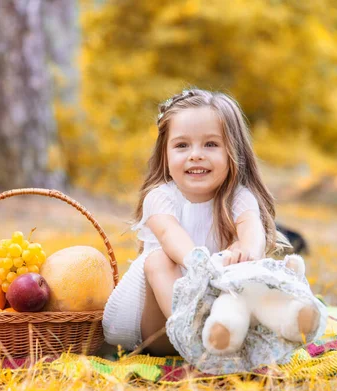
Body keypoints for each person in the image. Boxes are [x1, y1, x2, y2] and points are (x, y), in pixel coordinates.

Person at [103, 88, 292, 356]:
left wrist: (246, 250)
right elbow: (170, 234)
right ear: (165, 154)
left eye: (211, 144)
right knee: (158, 259)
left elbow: (252, 229)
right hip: (164, 327)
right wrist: (197, 262)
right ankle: (196, 336)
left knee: (251, 262)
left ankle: (233, 332)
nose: (195, 155)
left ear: (232, 151)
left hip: (224, 311)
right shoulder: (160, 198)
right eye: (182, 145)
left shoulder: (238, 198)